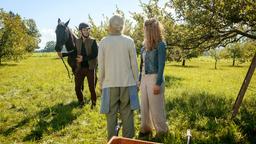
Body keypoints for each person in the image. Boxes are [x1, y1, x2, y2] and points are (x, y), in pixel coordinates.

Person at [98, 14, 140, 141]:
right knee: (127, 112)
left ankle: (112, 140)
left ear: (110, 26)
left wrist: (100, 82)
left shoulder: (104, 42)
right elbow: (134, 64)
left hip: (109, 83)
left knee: (110, 114)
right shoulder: (129, 41)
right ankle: (128, 140)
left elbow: (101, 65)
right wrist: (137, 81)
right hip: (127, 82)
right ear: (122, 26)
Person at [138, 18, 168, 140]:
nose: (143, 31)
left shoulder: (161, 45)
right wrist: (139, 80)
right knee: (144, 106)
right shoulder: (144, 46)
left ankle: (162, 132)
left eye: (145, 29)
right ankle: (146, 129)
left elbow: (161, 66)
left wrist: (158, 83)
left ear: (151, 30)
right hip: (144, 78)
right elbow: (142, 65)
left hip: (155, 77)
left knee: (156, 108)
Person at [75, 22, 98, 109]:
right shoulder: (77, 41)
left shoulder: (93, 41)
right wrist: (64, 54)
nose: (86, 31)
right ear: (80, 31)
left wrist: (83, 59)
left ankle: (94, 103)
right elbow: (74, 52)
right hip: (80, 68)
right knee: (77, 87)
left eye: (87, 30)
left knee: (91, 87)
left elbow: (95, 54)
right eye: (84, 30)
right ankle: (81, 102)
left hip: (90, 68)